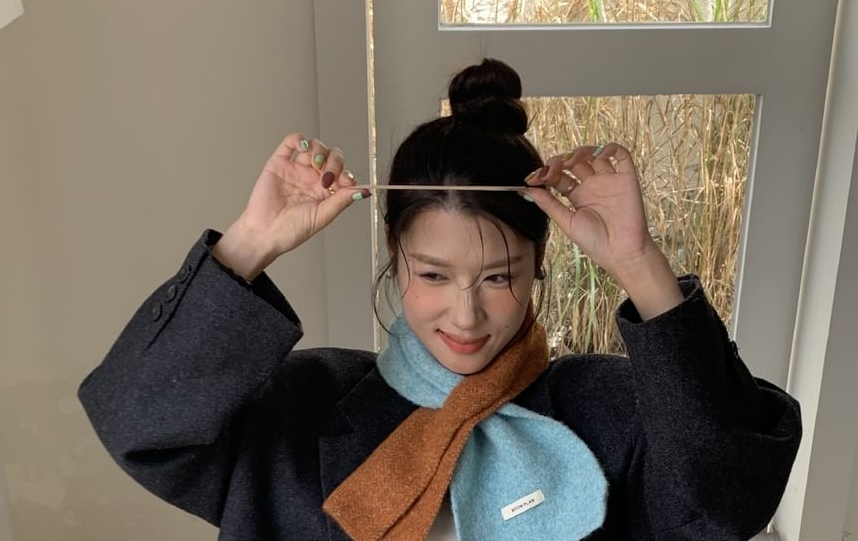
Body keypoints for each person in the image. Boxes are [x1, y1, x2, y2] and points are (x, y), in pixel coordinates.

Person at [78, 59, 801, 540]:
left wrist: (640, 266)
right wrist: (247, 245)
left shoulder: (609, 411)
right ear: (394, 256)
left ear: (538, 264)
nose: (465, 315)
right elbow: (139, 426)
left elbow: (728, 502)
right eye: (432, 275)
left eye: (498, 277)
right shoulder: (304, 407)